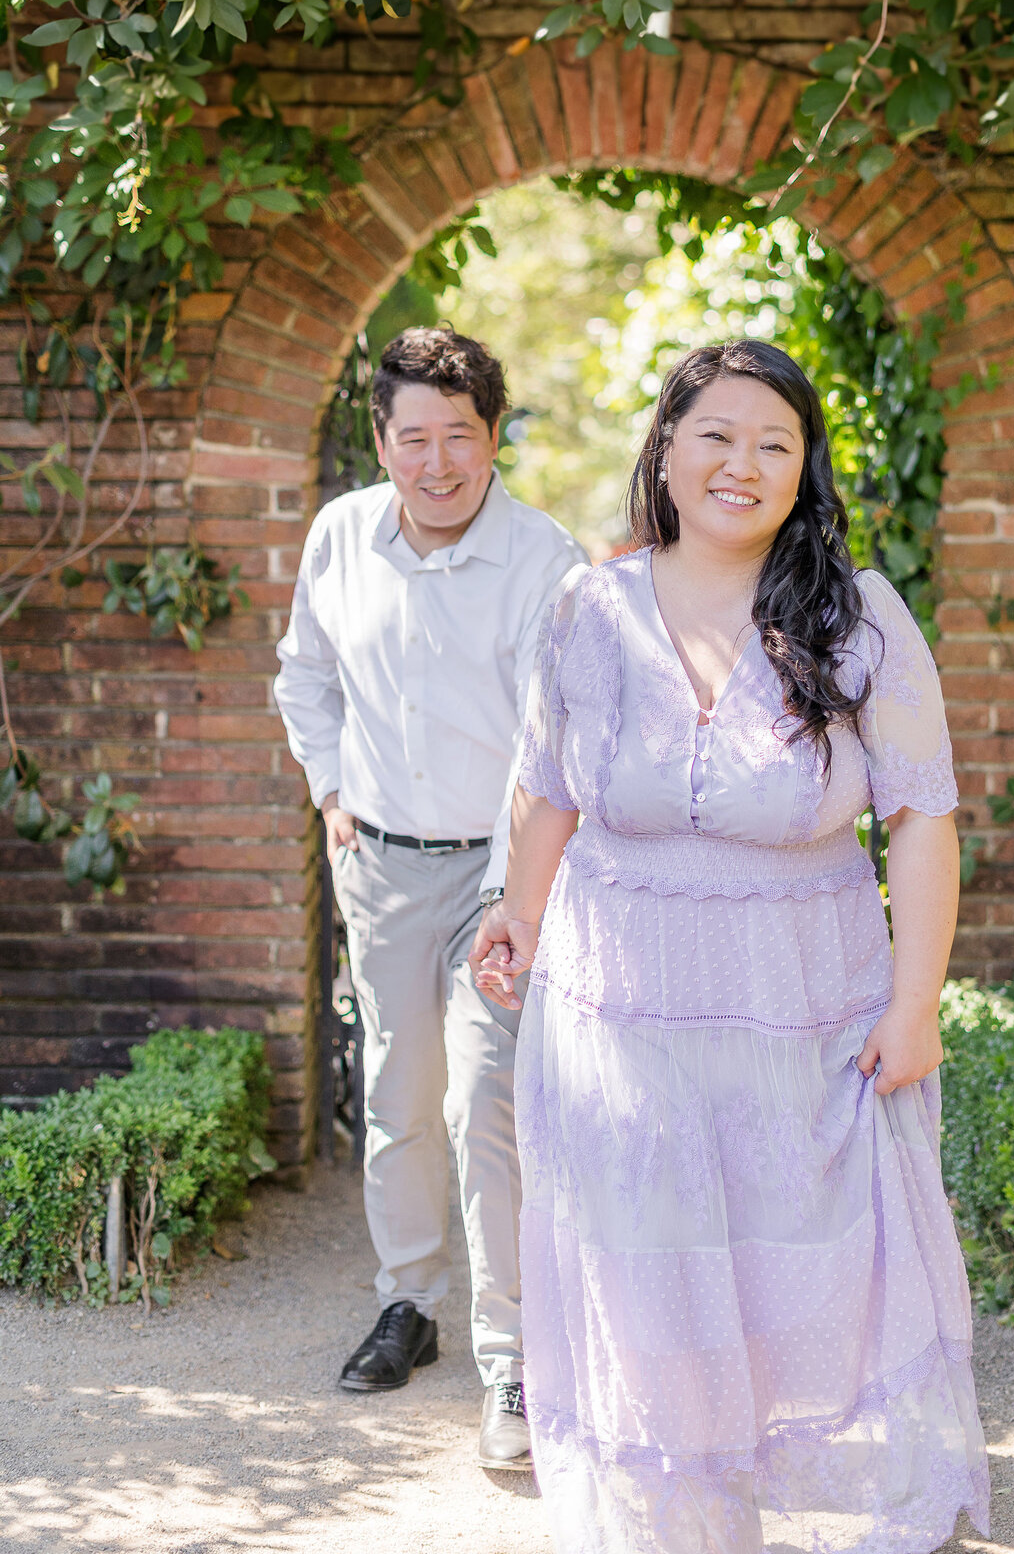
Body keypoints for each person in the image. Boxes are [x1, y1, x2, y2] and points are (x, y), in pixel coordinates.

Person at [471, 339, 991, 1551]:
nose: (741, 464)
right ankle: (678, 1511)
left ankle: (792, 1479)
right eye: (715, 435)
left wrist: (915, 1004)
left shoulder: (858, 618)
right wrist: (519, 914)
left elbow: (921, 817)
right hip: (618, 1008)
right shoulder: (589, 609)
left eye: (774, 443)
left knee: (795, 1258)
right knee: (646, 1255)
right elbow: (549, 787)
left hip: (800, 1011)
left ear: (805, 470)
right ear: (666, 451)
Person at [274, 326, 588, 1469]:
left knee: (485, 1103)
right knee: (399, 1096)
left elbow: (553, 742)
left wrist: (517, 889)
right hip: (382, 866)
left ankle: (513, 1357)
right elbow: (304, 675)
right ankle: (408, 1303)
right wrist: (329, 788)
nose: (439, 462)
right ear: (382, 441)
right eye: (416, 438)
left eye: (461, 434)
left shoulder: (544, 560)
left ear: (494, 436)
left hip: (501, 877)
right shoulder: (340, 537)